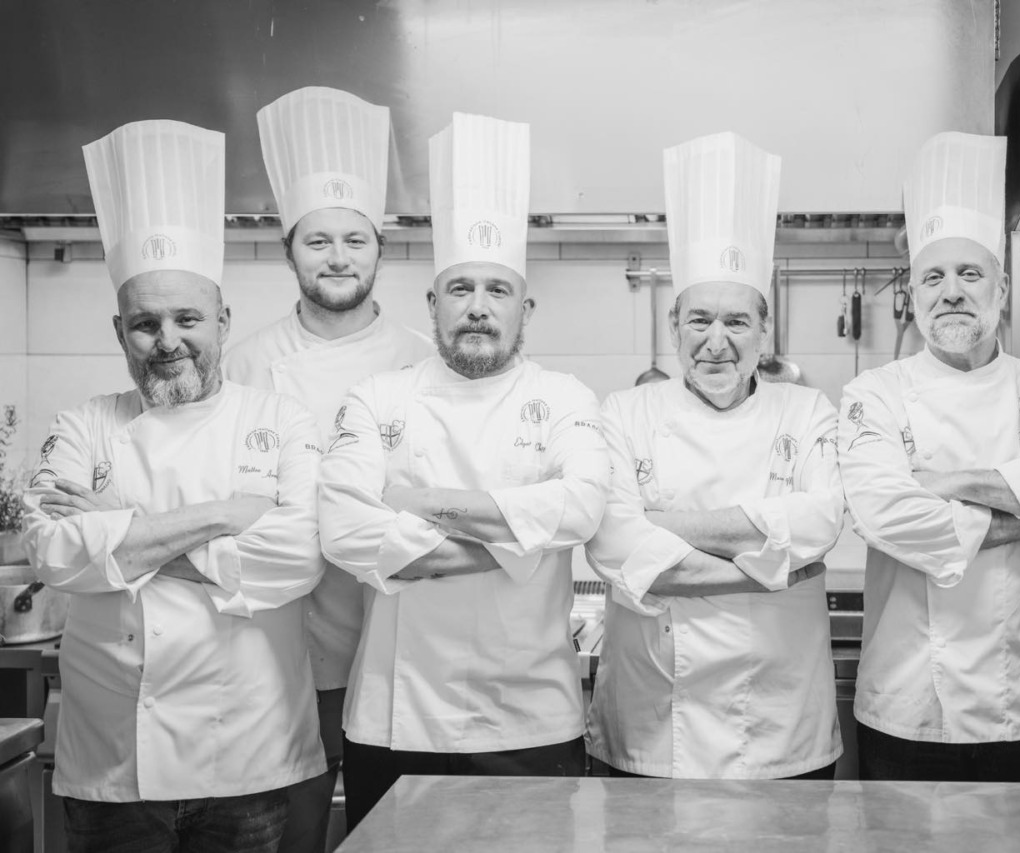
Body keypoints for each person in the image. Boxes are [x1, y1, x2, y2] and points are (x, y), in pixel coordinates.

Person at [22, 120, 325, 853]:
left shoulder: (280, 418)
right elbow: (54, 554)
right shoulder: (84, 422)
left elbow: (296, 559)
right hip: (112, 765)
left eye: (188, 318)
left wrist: (122, 531)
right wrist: (226, 515)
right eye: (145, 323)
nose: (168, 341)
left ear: (222, 321)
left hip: (246, 756)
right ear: (118, 328)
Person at [317, 112, 609, 828]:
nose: (478, 308)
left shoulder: (565, 397)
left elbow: (581, 510)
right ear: (433, 304)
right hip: (397, 717)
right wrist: (514, 540)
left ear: (526, 308)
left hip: (530, 721)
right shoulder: (378, 397)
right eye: (460, 289)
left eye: (497, 290)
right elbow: (342, 529)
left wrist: (413, 500)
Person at [837, 131, 1020, 782]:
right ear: (913, 293)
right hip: (908, 703)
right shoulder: (875, 394)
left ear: (1000, 287)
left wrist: (950, 481)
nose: (952, 292)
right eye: (933, 277)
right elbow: (884, 513)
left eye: (970, 274)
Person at [584, 132, 843, 780]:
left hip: (783, 731)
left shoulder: (807, 411)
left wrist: (663, 527)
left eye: (736, 322)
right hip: (651, 729)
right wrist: (777, 564)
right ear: (674, 326)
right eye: (699, 320)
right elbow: (613, 542)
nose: (716, 342)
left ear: (766, 330)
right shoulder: (623, 412)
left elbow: (823, 521)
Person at [222, 86, 434, 853]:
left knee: (398, 835)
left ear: (380, 249)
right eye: (318, 242)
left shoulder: (422, 360)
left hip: (397, 643)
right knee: (291, 831)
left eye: (355, 239)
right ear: (288, 252)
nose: (339, 257)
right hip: (282, 653)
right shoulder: (244, 364)